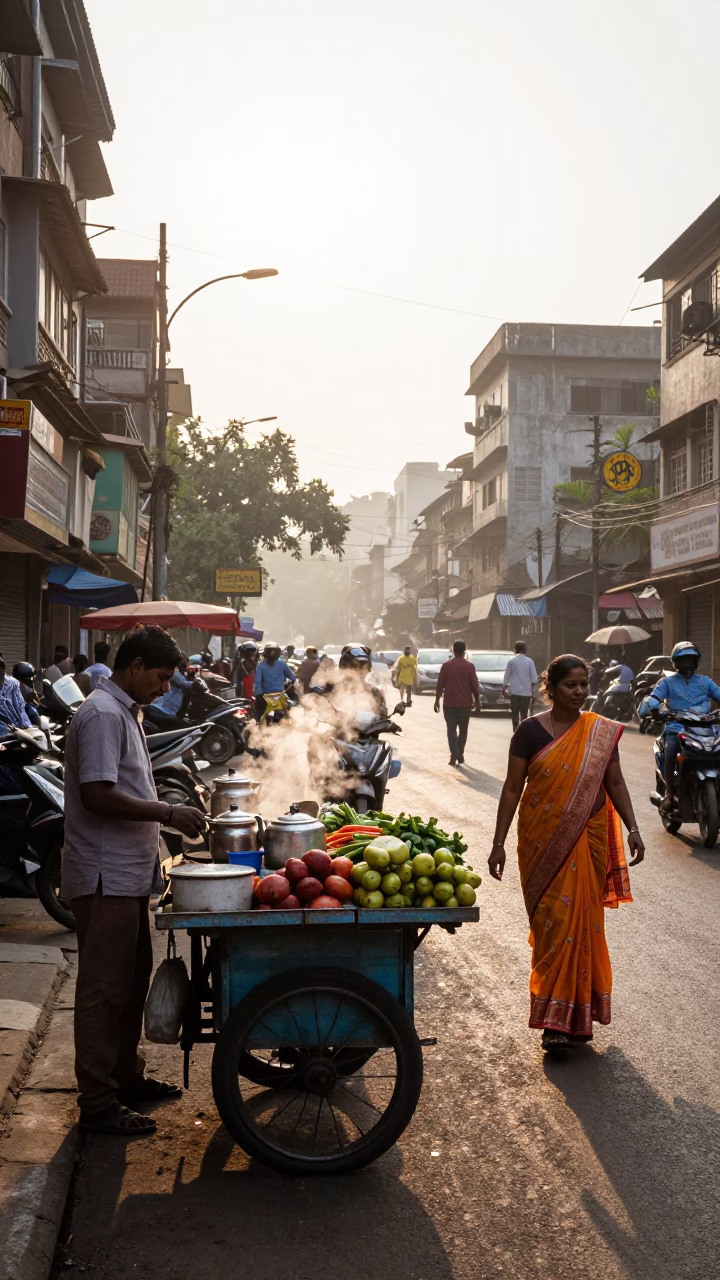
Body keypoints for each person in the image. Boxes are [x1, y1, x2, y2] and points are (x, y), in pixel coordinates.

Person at [62, 625, 206, 1137]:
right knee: (103, 990)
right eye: (162, 678)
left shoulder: (125, 711)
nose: (166, 688)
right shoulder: (102, 715)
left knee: (130, 979)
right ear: (136, 666)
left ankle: (125, 1078)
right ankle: (98, 1102)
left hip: (126, 875)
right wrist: (168, 811)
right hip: (104, 876)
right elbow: (98, 794)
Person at [488, 654, 644, 1051]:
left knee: (583, 925)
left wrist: (634, 828)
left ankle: (575, 1018)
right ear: (550, 689)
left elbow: (616, 782)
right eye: (570, 685)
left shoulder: (600, 732)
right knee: (553, 925)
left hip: (587, 838)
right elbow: (511, 788)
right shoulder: (528, 732)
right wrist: (498, 843)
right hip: (542, 843)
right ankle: (554, 1022)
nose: (579, 693)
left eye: (583, 685)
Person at [638, 640, 720, 815]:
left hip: (706, 728)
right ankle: (668, 794)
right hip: (677, 728)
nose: (688, 664)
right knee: (671, 748)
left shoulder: (706, 682)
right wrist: (654, 708)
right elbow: (654, 699)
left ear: (697, 661)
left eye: (691, 659)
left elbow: (719, 694)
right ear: (675, 662)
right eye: (684, 660)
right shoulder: (667, 683)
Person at [434, 640, 481, 766]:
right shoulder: (470, 666)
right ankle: (460, 753)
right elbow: (475, 686)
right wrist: (477, 702)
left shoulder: (446, 666)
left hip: (449, 703)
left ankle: (454, 753)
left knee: (451, 730)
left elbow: (440, 684)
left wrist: (437, 700)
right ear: (464, 651)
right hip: (465, 704)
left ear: (453, 651)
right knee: (463, 730)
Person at [253, 642, 297, 719]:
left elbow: (258, 683)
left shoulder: (260, 665)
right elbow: (292, 677)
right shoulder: (282, 663)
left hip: (265, 697)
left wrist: (259, 696)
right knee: (291, 713)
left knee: (259, 717)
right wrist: (291, 682)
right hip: (281, 695)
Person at [503, 641, 538, 729]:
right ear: (523, 649)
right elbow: (534, 679)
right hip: (526, 693)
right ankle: (523, 728)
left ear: (516, 650)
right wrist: (534, 694)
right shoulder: (530, 661)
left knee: (514, 711)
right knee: (524, 712)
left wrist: (504, 689)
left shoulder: (511, 661)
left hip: (514, 692)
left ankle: (515, 726)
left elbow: (506, 676)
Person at [0, 654, 33, 732]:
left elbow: (21, 708)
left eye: (1, 666)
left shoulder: (12, 683)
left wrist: (29, 729)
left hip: (17, 734)